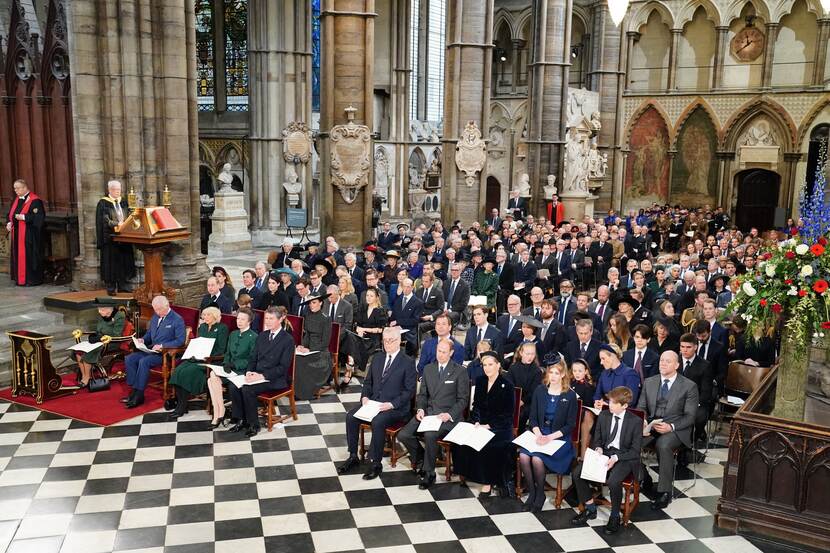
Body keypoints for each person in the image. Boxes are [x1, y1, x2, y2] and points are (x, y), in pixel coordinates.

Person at [339, 328, 417, 479]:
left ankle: (376, 463)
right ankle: (353, 456)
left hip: (396, 408)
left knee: (378, 421)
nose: (387, 344)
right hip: (374, 404)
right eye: (385, 340)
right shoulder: (378, 358)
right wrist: (365, 397)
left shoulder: (407, 362)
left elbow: (409, 391)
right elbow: (368, 383)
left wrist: (392, 404)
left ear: (399, 340)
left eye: (391, 340)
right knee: (351, 416)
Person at [398, 338, 470, 489]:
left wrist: (448, 414)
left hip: (448, 418)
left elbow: (463, 400)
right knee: (403, 435)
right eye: (439, 351)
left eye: (444, 352)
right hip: (429, 414)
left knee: (430, 435)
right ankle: (422, 459)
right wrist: (420, 409)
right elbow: (422, 395)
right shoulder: (428, 369)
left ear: (451, 353)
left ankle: (429, 473)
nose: (440, 355)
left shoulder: (460, 371)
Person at [571, 386, 643, 535]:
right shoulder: (604, 416)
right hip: (605, 454)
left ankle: (615, 515)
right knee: (577, 473)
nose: (608, 405)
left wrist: (616, 458)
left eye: (613, 403)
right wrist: (598, 449)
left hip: (624, 457)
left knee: (614, 481)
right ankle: (590, 508)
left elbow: (635, 451)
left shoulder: (635, 422)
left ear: (624, 406)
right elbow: (597, 439)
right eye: (609, 401)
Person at [637, 351, 699, 510]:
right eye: (661, 360)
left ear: (677, 365)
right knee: (630, 439)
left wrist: (671, 427)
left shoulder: (689, 386)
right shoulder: (650, 382)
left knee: (663, 445)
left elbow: (690, 417)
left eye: (668, 361)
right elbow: (641, 407)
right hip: (652, 425)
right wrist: (644, 421)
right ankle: (643, 476)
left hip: (676, 428)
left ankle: (665, 492)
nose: (662, 363)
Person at [517, 356, 578, 512]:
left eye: (557, 373)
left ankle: (540, 495)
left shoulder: (570, 395)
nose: (554, 376)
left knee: (537, 459)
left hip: (558, 438)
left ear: (563, 374)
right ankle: (533, 492)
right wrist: (538, 435)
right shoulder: (540, 390)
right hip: (539, 433)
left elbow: (570, 425)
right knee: (524, 456)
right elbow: (533, 418)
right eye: (551, 373)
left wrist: (549, 438)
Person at [452, 351, 516, 497]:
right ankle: (468, 473)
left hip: (500, 427)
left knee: (488, 444)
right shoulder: (480, 381)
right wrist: (476, 421)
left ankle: (487, 482)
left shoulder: (507, 385)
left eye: (490, 364)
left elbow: (507, 414)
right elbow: (477, 406)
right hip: (480, 423)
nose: (487, 368)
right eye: (484, 365)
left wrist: (489, 425)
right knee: (460, 439)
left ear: (498, 365)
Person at [228, 306, 295, 437]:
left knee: (247, 389)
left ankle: (254, 424)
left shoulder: (287, 340)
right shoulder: (262, 336)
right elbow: (253, 358)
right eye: (266, 318)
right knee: (234, 386)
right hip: (257, 374)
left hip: (274, 378)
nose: (267, 321)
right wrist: (249, 372)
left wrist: (261, 376)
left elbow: (283, 367)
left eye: (271, 318)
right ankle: (241, 420)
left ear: (280, 319)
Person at [123, 295, 186, 408]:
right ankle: (134, 390)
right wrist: (143, 339)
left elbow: (180, 341)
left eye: (159, 309)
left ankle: (140, 394)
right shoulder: (155, 317)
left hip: (165, 353)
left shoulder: (177, 319)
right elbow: (149, 334)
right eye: (155, 309)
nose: (157, 312)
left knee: (144, 361)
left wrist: (163, 345)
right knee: (130, 359)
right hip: (151, 350)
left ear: (167, 305)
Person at [167, 306, 229, 419]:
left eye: (207, 315)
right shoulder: (202, 327)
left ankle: (181, 407)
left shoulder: (222, 328)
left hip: (211, 360)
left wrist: (207, 356)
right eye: (204, 315)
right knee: (178, 370)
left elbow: (221, 349)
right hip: (196, 357)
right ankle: (182, 404)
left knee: (189, 372)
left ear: (214, 316)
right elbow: (198, 342)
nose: (204, 317)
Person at [206, 308, 257, 429]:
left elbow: (251, 359)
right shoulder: (233, 334)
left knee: (211, 380)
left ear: (249, 321)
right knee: (212, 376)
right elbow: (228, 353)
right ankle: (220, 410)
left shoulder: (253, 336)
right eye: (238, 318)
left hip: (241, 371)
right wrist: (226, 364)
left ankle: (218, 414)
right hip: (229, 368)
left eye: (242, 319)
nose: (239, 321)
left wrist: (234, 365)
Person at [74, 297, 126, 388]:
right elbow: (98, 330)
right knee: (78, 350)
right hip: (100, 340)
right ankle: (84, 376)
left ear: (109, 309)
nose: (99, 312)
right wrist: (95, 337)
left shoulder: (119, 316)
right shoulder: (102, 316)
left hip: (111, 342)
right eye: (98, 309)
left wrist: (101, 337)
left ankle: (87, 378)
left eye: (101, 309)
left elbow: (116, 334)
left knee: (89, 352)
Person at [95, 180, 135, 295]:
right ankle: (111, 287)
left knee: (124, 261)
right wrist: (117, 224)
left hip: (124, 237)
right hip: (110, 239)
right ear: (110, 190)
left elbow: (129, 215)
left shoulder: (123, 202)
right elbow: (105, 220)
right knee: (111, 263)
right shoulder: (103, 204)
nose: (119, 192)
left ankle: (123, 285)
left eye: (119, 190)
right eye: (116, 190)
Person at [294, 292, 333, 400]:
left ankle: (306, 392)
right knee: (296, 359)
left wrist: (310, 349)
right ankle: (297, 391)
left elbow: (326, 342)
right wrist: (302, 346)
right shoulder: (308, 315)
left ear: (320, 303)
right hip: (308, 349)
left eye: (314, 302)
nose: (311, 305)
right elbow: (307, 335)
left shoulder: (326, 318)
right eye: (310, 303)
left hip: (321, 353)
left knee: (304, 362)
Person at [6, 179, 45, 286]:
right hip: (17, 234)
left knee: (29, 257)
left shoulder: (35, 200)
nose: (16, 191)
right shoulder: (17, 200)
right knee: (18, 256)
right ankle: (20, 279)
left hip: (29, 235)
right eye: (14, 188)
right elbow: (10, 214)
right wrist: (9, 222)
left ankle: (31, 280)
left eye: (18, 188)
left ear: (24, 188)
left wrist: (24, 217)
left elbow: (39, 217)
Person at [504, 343, 543, 432]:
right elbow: (509, 385)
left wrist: (522, 401)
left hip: (527, 403)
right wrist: (515, 400)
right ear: (521, 353)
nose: (530, 356)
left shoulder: (537, 371)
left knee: (521, 414)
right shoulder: (513, 367)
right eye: (527, 354)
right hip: (513, 400)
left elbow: (534, 391)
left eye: (532, 354)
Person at [594, 343, 641, 407]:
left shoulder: (630, 374)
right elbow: (597, 396)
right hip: (604, 411)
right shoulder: (604, 373)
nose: (601, 362)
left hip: (623, 412)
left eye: (603, 358)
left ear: (613, 356)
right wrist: (597, 402)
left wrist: (607, 404)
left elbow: (631, 400)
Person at [570, 358, 596, 457]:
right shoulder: (570, 384)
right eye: (574, 371)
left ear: (586, 371)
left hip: (581, 412)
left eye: (580, 371)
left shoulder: (588, 386)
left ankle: (580, 454)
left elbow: (588, 404)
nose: (577, 373)